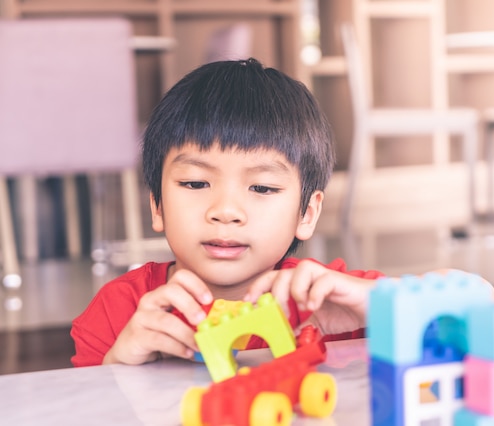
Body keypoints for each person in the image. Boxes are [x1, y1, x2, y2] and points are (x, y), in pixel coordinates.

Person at [70, 58, 386, 367]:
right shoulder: (119, 312)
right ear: (158, 205)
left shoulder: (330, 300)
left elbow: (434, 309)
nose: (225, 211)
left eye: (262, 188)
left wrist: (378, 305)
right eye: (195, 183)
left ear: (307, 213)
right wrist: (117, 367)